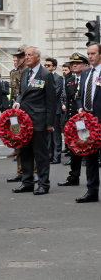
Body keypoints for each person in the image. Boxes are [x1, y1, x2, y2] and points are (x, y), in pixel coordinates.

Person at [12, 46, 56, 195]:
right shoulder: (25, 72)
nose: (27, 58)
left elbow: (51, 100)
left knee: (41, 154)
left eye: (30, 55)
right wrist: (18, 101)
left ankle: (43, 183)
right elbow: (22, 93)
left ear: (38, 57)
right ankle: (27, 182)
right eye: (26, 55)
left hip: (39, 119)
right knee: (25, 152)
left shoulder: (46, 74)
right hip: (24, 120)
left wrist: (49, 123)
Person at [74, 43, 101, 203]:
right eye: (88, 53)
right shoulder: (85, 74)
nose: (90, 56)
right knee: (89, 156)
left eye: (93, 53)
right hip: (86, 122)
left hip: (100, 119)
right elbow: (80, 96)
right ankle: (92, 190)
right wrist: (80, 108)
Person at [58, 53, 89, 187]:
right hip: (72, 119)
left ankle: (91, 179)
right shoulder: (70, 79)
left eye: (77, 63)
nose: (73, 65)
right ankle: (74, 176)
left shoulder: (89, 77)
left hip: (87, 120)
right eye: (71, 64)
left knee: (89, 148)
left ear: (85, 65)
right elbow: (69, 100)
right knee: (74, 148)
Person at [7, 45, 34, 184]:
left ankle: (34, 173)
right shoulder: (14, 73)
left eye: (20, 57)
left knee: (30, 143)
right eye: (16, 57)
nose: (16, 59)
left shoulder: (31, 72)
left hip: (29, 112)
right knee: (18, 141)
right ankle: (20, 171)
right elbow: (14, 93)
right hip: (17, 112)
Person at [44, 57, 64, 164]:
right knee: (48, 136)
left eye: (48, 65)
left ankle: (57, 156)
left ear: (54, 67)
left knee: (56, 135)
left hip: (55, 110)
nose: (45, 67)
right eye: (45, 65)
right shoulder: (43, 77)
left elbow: (55, 94)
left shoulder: (58, 78)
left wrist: (42, 97)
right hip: (46, 110)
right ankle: (49, 155)